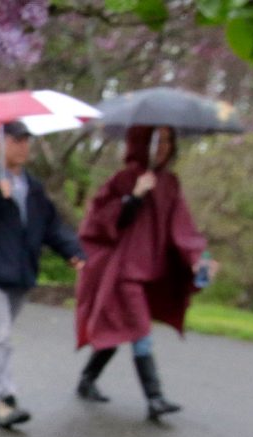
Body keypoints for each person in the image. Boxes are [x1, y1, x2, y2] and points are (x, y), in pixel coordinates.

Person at [0, 120, 88, 429]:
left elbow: (51, 226)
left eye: (26, 140)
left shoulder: (33, 186)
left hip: (21, 274)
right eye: (16, 140)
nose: (23, 146)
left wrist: (74, 253)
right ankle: (5, 401)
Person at [73, 125, 210, 420]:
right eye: (157, 140)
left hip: (152, 271)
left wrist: (198, 257)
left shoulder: (170, 184)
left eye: (168, 141)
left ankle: (86, 380)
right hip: (124, 272)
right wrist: (133, 197)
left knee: (121, 328)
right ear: (143, 142)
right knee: (139, 331)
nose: (162, 147)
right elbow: (98, 220)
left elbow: (183, 228)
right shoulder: (125, 178)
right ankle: (155, 398)